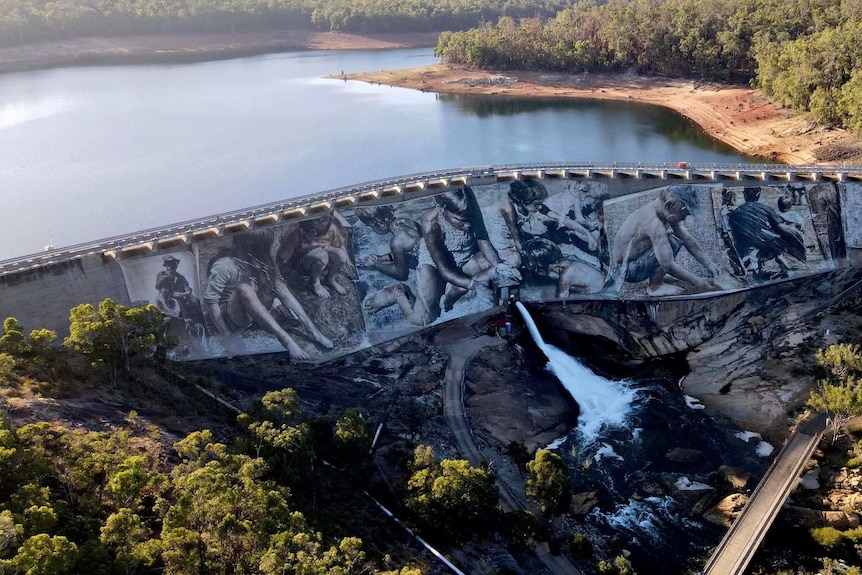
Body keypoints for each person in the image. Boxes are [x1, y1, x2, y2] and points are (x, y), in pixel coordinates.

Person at [363, 187, 520, 326]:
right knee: (422, 319)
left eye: (468, 220)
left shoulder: (467, 205)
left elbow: (483, 240)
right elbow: (443, 269)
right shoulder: (430, 221)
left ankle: (456, 289)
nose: (468, 225)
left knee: (512, 261)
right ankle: (397, 292)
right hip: (435, 266)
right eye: (461, 221)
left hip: (463, 260)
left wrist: (499, 265)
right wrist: (474, 285)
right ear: (442, 210)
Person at [202, 230, 334, 360]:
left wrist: (275, 299)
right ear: (251, 245)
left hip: (252, 310)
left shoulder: (258, 260)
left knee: (277, 283)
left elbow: (267, 283)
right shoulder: (224, 265)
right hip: (232, 316)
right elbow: (211, 301)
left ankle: (312, 330)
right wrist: (227, 334)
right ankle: (285, 338)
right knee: (244, 289)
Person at [612, 184, 722, 296]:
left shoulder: (663, 212)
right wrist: (698, 282)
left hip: (633, 263)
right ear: (669, 205)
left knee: (672, 240)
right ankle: (655, 286)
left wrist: (709, 264)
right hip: (626, 271)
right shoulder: (653, 222)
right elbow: (667, 265)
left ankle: (655, 274)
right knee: (670, 241)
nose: (684, 218)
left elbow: (688, 239)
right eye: (683, 214)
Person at [728, 186, 806, 278]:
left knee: (753, 246)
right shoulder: (764, 208)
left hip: (743, 245)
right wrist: (797, 238)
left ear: (744, 194)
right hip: (764, 242)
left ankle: (757, 270)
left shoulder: (736, 212)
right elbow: (782, 227)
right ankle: (786, 270)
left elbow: (733, 233)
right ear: (758, 195)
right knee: (776, 246)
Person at [276, 214, 355, 299]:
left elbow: (340, 245)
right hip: (302, 263)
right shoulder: (294, 234)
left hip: (324, 256)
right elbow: (281, 258)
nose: (313, 242)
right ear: (303, 229)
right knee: (321, 256)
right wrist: (285, 273)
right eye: (310, 237)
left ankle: (330, 279)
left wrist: (348, 260)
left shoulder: (331, 229)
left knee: (341, 255)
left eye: (317, 238)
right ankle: (315, 283)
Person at [520, 237, 605, 298]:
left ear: (541, 263)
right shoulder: (565, 260)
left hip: (600, 293)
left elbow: (559, 300)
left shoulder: (566, 275)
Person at [354, 205, 421, 281]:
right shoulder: (410, 223)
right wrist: (381, 259)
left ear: (381, 224)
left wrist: (376, 265)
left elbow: (402, 274)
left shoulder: (397, 241)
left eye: (371, 226)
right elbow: (404, 253)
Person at [155, 255, 205, 328]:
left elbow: (188, 289)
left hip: (182, 298)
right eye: (170, 264)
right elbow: (159, 287)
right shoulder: (162, 275)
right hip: (168, 299)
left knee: (196, 302)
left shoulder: (180, 277)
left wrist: (183, 294)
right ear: (166, 265)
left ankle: (201, 326)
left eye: (174, 263)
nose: (172, 265)